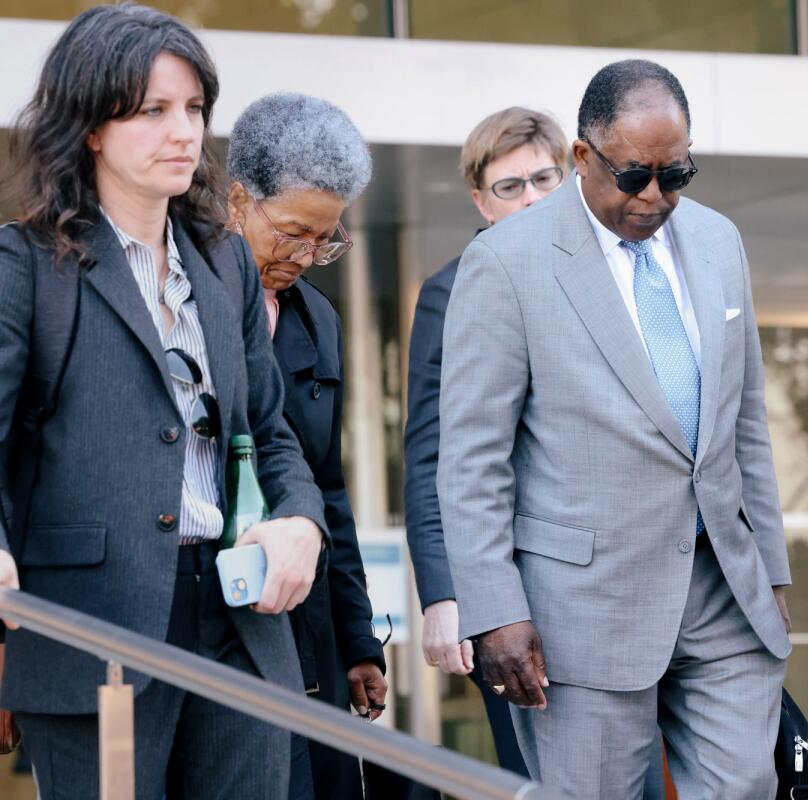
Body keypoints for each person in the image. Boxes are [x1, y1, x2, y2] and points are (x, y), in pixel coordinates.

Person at [437, 59, 792, 798]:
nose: (656, 196)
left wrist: (773, 570)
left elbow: (745, 421)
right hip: (582, 611)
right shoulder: (505, 262)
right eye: (635, 176)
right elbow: (473, 459)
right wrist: (494, 608)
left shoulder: (719, 241)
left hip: (723, 590)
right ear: (582, 157)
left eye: (676, 174)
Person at [0, 6, 328, 798]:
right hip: (93, 631)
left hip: (239, 623)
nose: (183, 131)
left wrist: (300, 521)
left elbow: (269, 431)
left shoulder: (225, 263)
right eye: (152, 110)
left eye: (193, 109)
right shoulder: (25, 264)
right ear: (89, 127)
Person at [226, 92, 386, 800]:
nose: (307, 256)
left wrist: (357, 640)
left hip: (307, 621)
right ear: (238, 202)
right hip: (212, 620)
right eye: (293, 232)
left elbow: (329, 485)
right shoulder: (174, 298)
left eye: (326, 240)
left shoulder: (317, 317)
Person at [405, 105, 569, 777]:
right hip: (509, 591)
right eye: (510, 187)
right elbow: (429, 453)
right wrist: (444, 596)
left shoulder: (608, 274)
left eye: (543, 180)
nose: (530, 199)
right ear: (481, 199)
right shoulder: (451, 291)